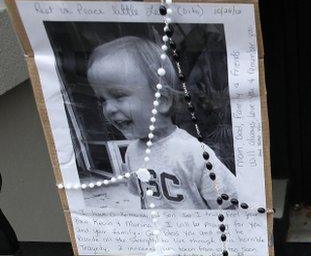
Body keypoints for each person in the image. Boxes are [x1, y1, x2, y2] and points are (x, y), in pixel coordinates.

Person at [86, 36, 237, 210]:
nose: (109, 109)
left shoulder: (192, 152)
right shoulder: (131, 152)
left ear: (162, 101)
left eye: (119, 95)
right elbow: (144, 200)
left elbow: (228, 206)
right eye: (102, 100)